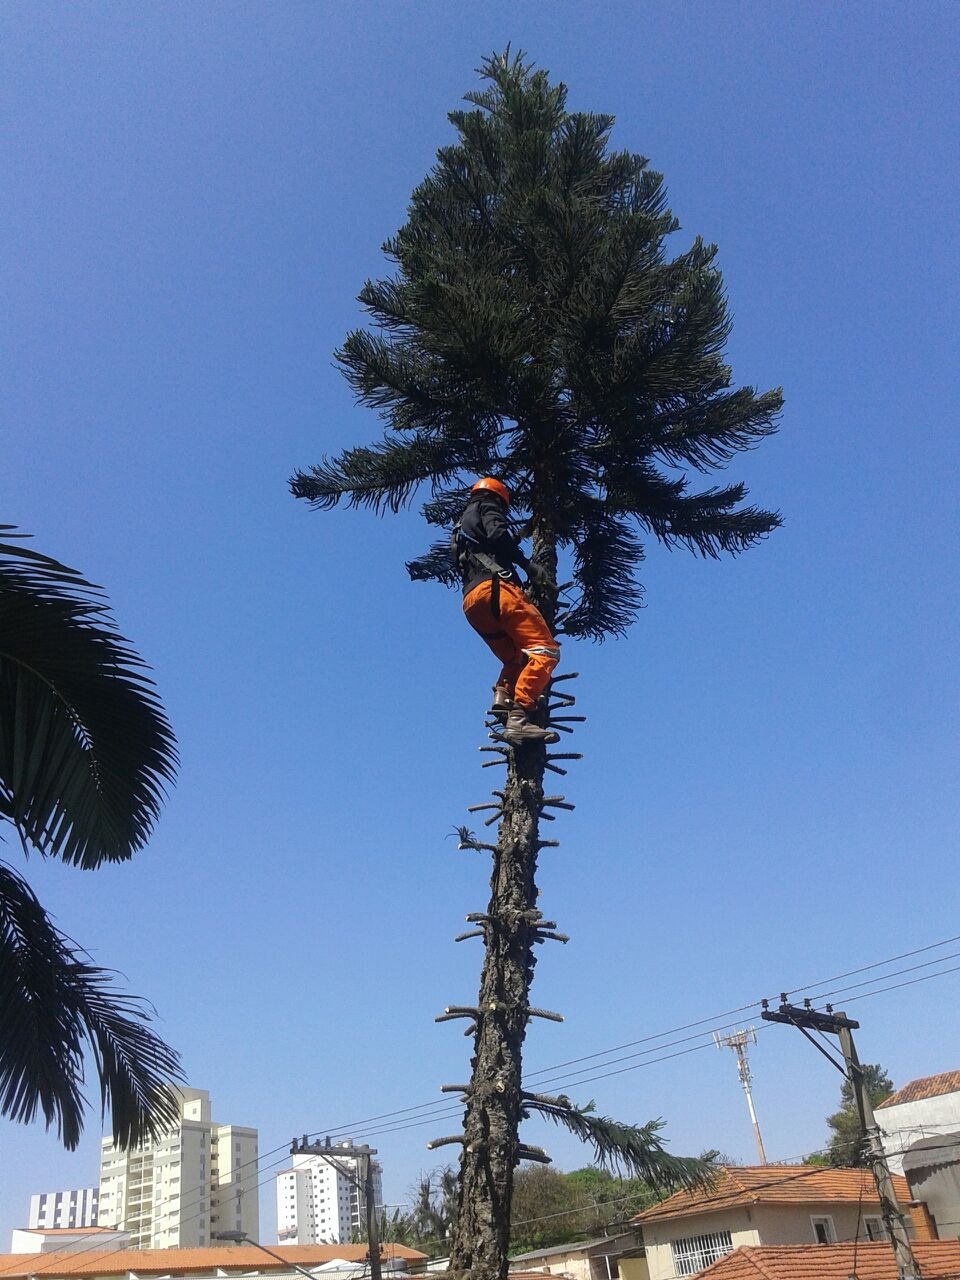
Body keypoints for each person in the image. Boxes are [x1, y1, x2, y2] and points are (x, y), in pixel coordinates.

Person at [453, 477, 561, 746]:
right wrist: (527, 565)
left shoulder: (462, 524)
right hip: (497, 592)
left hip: (472, 602)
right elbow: (497, 536)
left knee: (516, 657)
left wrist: (519, 537)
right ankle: (520, 715)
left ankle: (502, 698)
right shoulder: (489, 507)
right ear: (500, 498)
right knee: (544, 650)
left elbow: (491, 544)